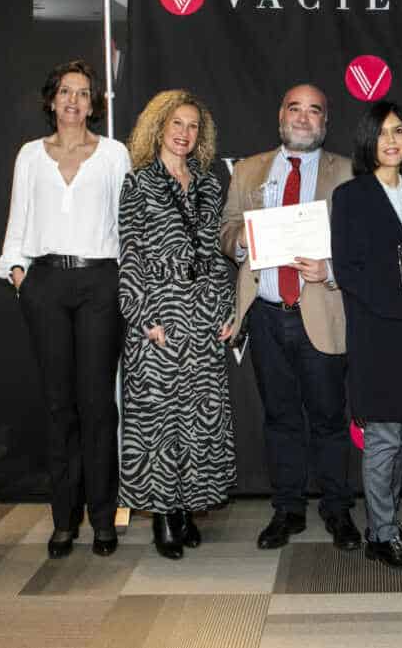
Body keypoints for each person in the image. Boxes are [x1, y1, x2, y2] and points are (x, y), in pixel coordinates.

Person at [0, 60, 131, 559]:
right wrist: (17, 271)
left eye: (83, 93)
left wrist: (124, 279)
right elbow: (18, 217)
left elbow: (128, 224)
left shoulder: (114, 154)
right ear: (51, 101)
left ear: (94, 104)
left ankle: (102, 517)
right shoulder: (30, 155)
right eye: (65, 92)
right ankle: (62, 520)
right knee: (59, 408)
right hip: (46, 281)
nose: (74, 101)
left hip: (101, 281)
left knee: (97, 405)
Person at [220, 84, 360, 551]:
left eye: (314, 111)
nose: (303, 118)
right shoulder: (248, 170)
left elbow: (363, 245)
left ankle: (338, 510)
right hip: (265, 314)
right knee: (280, 417)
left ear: (326, 121)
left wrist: (332, 268)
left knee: (328, 419)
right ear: (281, 116)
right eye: (295, 109)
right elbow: (225, 231)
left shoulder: (348, 173)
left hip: (319, 309)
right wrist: (245, 241)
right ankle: (288, 509)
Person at [117, 90, 238, 560]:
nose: (185, 133)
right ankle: (164, 516)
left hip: (204, 314)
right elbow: (129, 257)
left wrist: (227, 310)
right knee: (159, 422)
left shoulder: (209, 185)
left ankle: (187, 507)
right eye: (177, 124)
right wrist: (144, 316)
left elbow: (214, 256)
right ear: (158, 127)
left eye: (193, 126)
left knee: (199, 421)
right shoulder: (138, 184)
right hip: (158, 316)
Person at [331, 101, 402, 569]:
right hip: (378, 331)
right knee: (382, 438)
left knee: (399, 435)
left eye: (399, 130)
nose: (392, 140)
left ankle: (388, 523)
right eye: (382, 133)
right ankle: (380, 536)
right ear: (368, 141)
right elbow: (350, 271)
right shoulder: (352, 196)